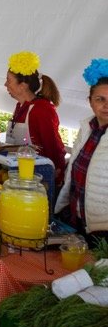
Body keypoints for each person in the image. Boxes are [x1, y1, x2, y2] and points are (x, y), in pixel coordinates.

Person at [55, 59, 108, 241]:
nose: (106, 105)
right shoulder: (87, 128)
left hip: (103, 230)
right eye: (100, 99)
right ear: (90, 102)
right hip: (77, 220)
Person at [4, 51, 66, 185]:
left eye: (9, 81)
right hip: (19, 173)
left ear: (23, 85)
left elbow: (52, 146)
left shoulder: (42, 109)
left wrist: (55, 175)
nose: (5, 84)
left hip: (39, 176)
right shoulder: (20, 106)